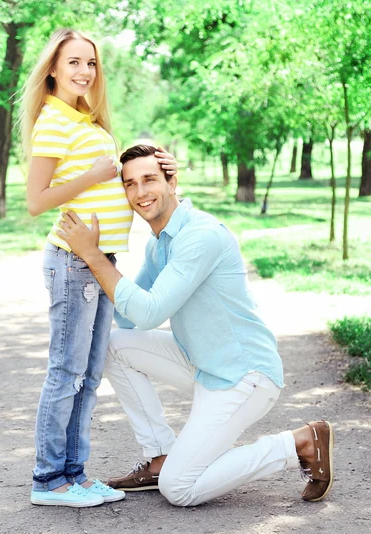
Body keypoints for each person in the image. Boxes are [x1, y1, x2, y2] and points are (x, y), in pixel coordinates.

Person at [56, 144, 334, 507]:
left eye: (150, 179)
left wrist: (92, 256)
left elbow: (149, 313)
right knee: (115, 346)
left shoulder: (200, 236)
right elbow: (127, 314)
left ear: (173, 182)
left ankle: (297, 443)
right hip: (201, 362)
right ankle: (160, 457)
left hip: (243, 376)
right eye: (130, 184)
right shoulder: (160, 243)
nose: (140, 192)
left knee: (181, 489)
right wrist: (100, 257)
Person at [20, 30, 177, 508]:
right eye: (73, 62)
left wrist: (164, 171)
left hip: (98, 262)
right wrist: (92, 176)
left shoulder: (86, 119)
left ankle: (74, 474)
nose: (84, 71)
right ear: (53, 68)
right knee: (66, 373)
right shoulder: (53, 121)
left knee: (88, 376)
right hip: (73, 262)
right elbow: (35, 201)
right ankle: (49, 480)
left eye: (90, 63)